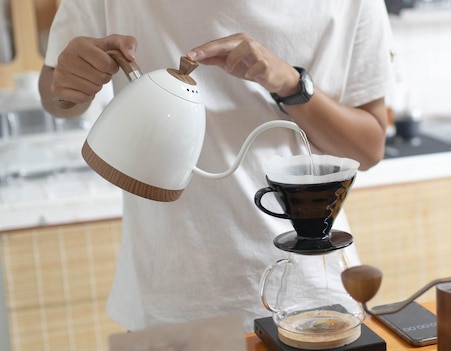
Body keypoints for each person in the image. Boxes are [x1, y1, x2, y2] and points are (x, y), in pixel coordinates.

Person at [39, 1, 394, 332]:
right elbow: (55, 96)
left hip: (312, 293)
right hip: (172, 303)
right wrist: (67, 85)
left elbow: (368, 148)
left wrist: (289, 83)